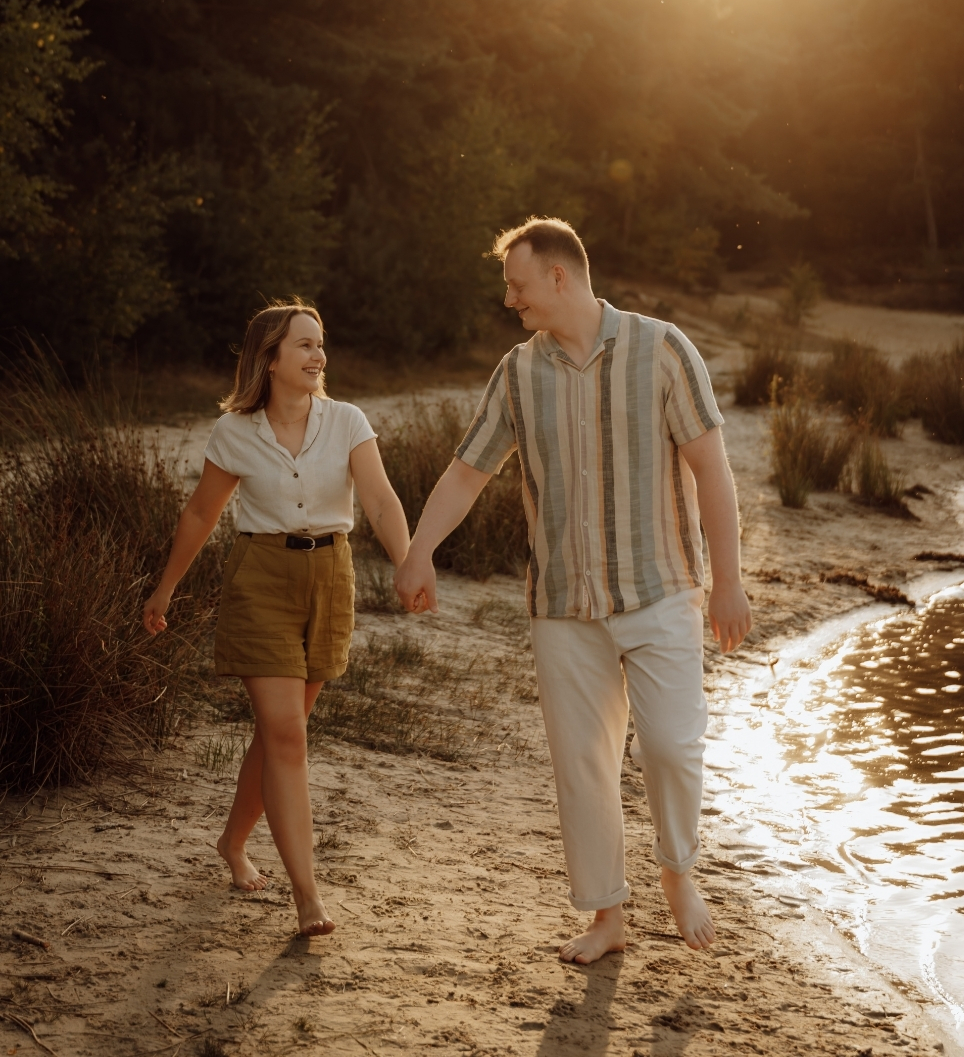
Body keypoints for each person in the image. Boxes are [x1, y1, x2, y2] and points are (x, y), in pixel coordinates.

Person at [394, 217, 752, 965]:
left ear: (559, 275)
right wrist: (420, 549)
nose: (509, 300)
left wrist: (729, 582)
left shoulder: (662, 350)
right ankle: (607, 917)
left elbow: (712, 470)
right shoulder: (518, 373)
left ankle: (677, 871)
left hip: (661, 591)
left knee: (672, 744)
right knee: (582, 764)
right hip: (563, 605)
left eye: (517, 285)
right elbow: (469, 471)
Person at [143, 300, 410, 937]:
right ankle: (308, 898)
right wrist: (164, 592)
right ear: (269, 358)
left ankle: (233, 842)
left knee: (278, 733)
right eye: (304, 346)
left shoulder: (347, 421)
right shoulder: (234, 432)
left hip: (329, 579)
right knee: (287, 735)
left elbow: (377, 498)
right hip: (259, 578)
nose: (318, 356)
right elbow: (201, 515)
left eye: (321, 345)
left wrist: (408, 564)